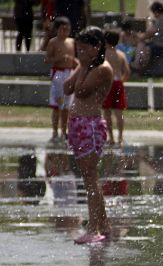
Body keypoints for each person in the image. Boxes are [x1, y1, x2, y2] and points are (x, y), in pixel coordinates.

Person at [64, 26, 113, 244]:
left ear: (96, 48)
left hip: (90, 126)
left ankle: (93, 229)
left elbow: (81, 90)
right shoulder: (85, 65)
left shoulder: (102, 68)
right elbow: (67, 88)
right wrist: (80, 66)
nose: (79, 54)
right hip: (77, 125)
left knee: (91, 180)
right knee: (89, 179)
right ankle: (104, 225)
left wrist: (81, 67)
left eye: (83, 50)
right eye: (78, 49)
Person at [45, 17, 77, 142]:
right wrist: (58, 58)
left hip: (69, 73)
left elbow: (76, 59)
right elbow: (47, 59)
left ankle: (65, 131)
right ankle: (54, 131)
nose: (66, 31)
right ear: (57, 29)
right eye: (63, 29)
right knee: (57, 104)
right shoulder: (53, 42)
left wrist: (75, 62)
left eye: (68, 29)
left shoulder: (72, 42)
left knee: (67, 106)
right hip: (58, 73)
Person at [102, 30, 130, 145]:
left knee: (107, 112)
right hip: (118, 83)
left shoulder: (104, 54)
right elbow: (127, 72)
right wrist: (121, 81)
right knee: (119, 112)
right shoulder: (121, 54)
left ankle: (111, 138)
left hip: (107, 84)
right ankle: (120, 137)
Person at [133, 1, 163, 72]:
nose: (154, 15)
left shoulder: (162, 19)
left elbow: (150, 33)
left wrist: (140, 38)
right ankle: (138, 65)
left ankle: (140, 68)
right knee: (143, 45)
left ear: (156, 11)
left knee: (145, 47)